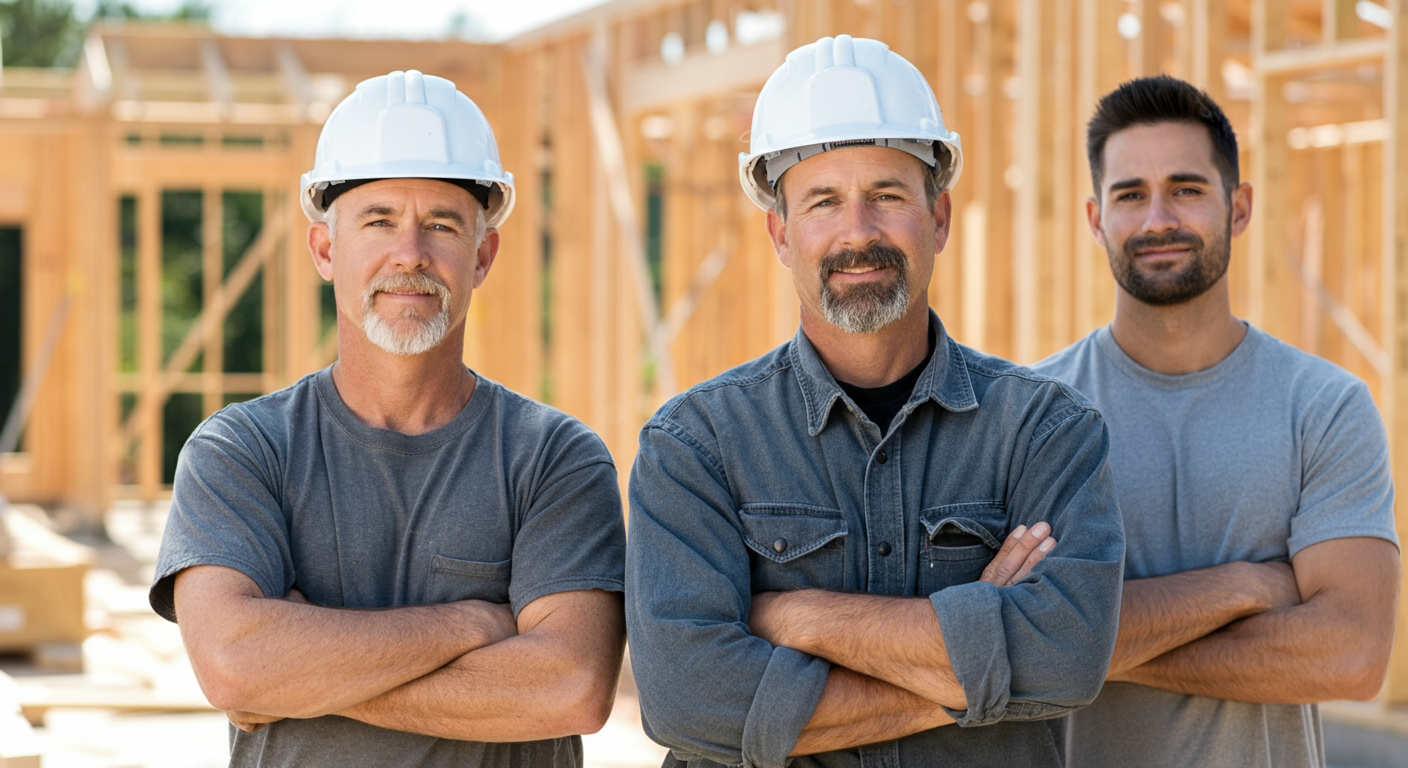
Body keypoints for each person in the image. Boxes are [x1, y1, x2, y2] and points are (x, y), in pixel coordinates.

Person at [625, 35, 1125, 768]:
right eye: (823, 202)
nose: (858, 232)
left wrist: (800, 618)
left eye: (887, 196)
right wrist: (975, 665)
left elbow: (1066, 659)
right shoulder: (696, 445)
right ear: (781, 234)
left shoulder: (1045, 431)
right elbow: (689, 701)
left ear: (940, 218)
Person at [148, 70, 627, 767]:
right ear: (325, 249)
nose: (410, 253)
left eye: (442, 225)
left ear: (482, 256)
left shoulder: (555, 458)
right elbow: (234, 666)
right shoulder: (243, 451)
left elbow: (571, 688)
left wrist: (300, 673)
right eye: (379, 221)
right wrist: (474, 623)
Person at [1032, 75, 1401, 768]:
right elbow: (1012, 639)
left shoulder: (1323, 408)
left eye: (1187, 189)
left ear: (1239, 207)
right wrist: (1245, 586)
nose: (1157, 220)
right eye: (1130, 194)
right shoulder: (1034, 416)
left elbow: (1352, 656)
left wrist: (1083, 646)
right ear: (1095, 219)